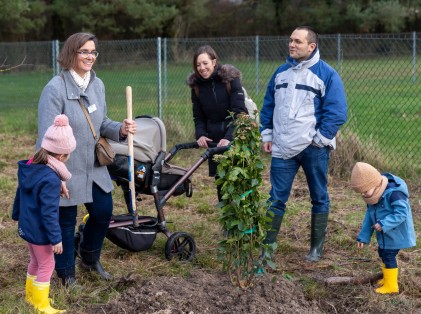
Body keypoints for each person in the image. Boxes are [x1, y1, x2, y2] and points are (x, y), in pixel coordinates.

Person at [36, 32, 136, 286]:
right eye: (84, 51)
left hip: (94, 167)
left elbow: (101, 122)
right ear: (71, 53)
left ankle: (89, 259)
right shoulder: (55, 88)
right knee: (66, 223)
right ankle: (67, 275)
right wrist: (53, 175)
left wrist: (121, 129)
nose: (90, 56)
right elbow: (46, 138)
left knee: (103, 213)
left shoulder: (97, 84)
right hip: (65, 169)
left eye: (93, 52)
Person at [260, 26, 348, 262]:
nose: (291, 45)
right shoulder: (280, 73)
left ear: (311, 46)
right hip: (282, 148)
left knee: (319, 196)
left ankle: (316, 249)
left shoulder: (327, 74)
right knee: (276, 198)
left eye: (297, 41)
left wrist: (320, 140)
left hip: (313, 149)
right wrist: (267, 135)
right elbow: (268, 105)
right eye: (290, 40)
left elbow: (337, 111)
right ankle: (267, 249)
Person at [12, 114, 76, 313]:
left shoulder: (31, 166)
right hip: (40, 231)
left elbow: (20, 192)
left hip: (27, 224)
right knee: (47, 264)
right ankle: (41, 305)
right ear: (62, 156)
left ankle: (31, 297)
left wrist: (17, 215)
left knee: (35, 261)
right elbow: (49, 213)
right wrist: (56, 239)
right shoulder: (50, 179)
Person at [186, 45, 248, 201]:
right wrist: (200, 134)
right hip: (215, 141)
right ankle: (227, 223)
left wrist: (229, 137)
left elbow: (239, 112)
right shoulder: (196, 87)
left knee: (240, 182)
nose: (202, 68)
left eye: (205, 63)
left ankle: (245, 224)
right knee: (222, 184)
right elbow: (198, 116)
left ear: (214, 62)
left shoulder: (230, 80)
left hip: (235, 137)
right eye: (198, 65)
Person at [350, 162, 416, 294]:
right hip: (386, 235)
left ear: (375, 184)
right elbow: (369, 217)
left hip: (396, 234)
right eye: (361, 193)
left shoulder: (394, 194)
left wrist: (384, 223)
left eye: (365, 191)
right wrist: (363, 237)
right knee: (383, 253)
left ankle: (392, 286)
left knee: (388, 255)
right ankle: (387, 279)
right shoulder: (373, 196)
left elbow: (402, 213)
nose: (364, 195)